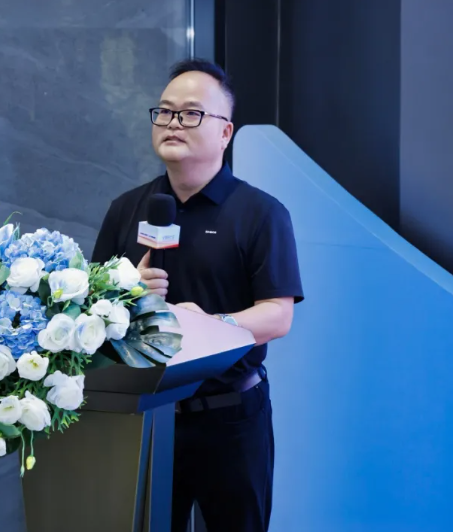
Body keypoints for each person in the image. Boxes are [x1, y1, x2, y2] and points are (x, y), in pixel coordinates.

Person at [91, 59, 303, 532]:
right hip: (144, 416)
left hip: (229, 417)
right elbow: (91, 313)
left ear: (225, 133)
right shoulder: (127, 208)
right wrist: (123, 290)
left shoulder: (260, 213)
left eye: (190, 113)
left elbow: (277, 316)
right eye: (164, 111)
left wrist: (207, 327)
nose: (172, 123)